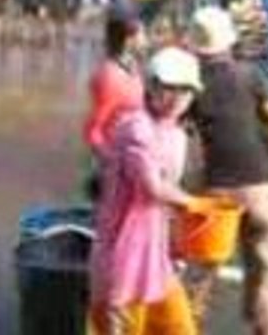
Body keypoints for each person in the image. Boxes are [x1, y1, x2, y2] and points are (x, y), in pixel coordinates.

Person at [186, 6, 268, 334]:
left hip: (219, 190)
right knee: (266, 275)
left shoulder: (192, 85)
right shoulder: (250, 76)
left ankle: (183, 325)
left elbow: (184, 144)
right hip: (262, 188)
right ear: (229, 41)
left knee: (202, 273)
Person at [88, 46, 206, 335]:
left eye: (186, 90)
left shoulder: (175, 132)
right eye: (169, 88)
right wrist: (195, 204)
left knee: (181, 329)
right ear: (151, 86)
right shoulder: (136, 129)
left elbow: (167, 198)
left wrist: (177, 239)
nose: (177, 98)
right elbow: (152, 187)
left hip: (156, 256)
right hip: (125, 258)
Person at [84, 9, 146, 161]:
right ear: (128, 40)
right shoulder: (111, 77)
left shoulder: (132, 68)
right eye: (142, 34)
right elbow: (94, 130)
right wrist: (109, 159)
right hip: (114, 156)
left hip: (130, 151)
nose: (146, 39)